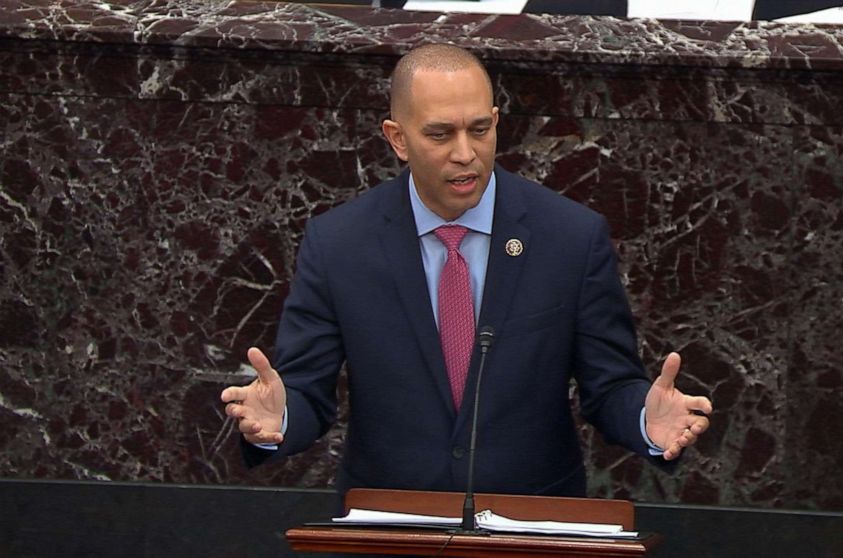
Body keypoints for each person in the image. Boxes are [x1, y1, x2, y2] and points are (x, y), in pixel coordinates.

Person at [221, 44, 712, 501]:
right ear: (398, 139)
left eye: (480, 129)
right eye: (440, 134)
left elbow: (609, 387)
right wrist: (278, 416)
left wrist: (647, 419)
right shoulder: (339, 244)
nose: (465, 153)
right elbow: (307, 389)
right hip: (391, 525)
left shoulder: (569, 237)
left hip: (531, 521)